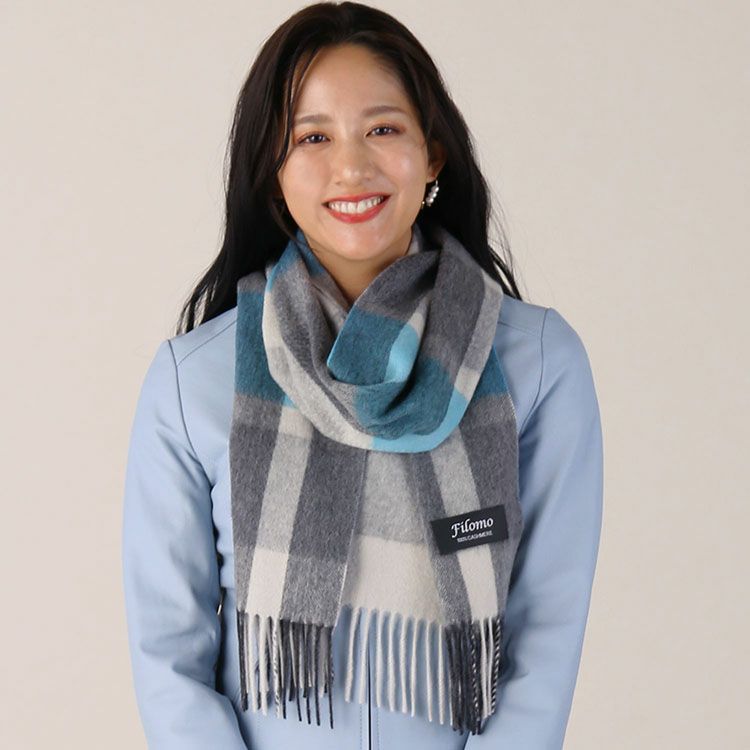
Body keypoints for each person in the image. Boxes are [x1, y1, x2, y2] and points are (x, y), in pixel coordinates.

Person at [121, 3, 604, 749]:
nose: (351, 167)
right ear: (273, 171)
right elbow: (168, 657)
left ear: (433, 154)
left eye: (383, 129)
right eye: (312, 137)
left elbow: (547, 631)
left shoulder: (538, 365)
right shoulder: (195, 382)